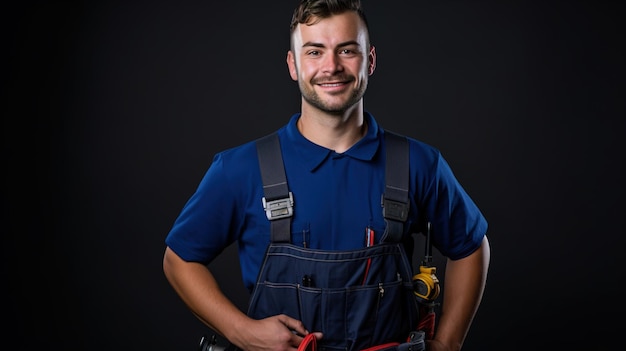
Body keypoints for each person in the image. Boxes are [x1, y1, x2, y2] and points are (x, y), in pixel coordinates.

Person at [163, 1, 490, 350]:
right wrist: (241, 331)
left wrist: (448, 344)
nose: (331, 66)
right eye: (314, 51)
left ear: (370, 60)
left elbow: (471, 247)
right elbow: (178, 260)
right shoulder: (240, 169)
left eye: (347, 50)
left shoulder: (419, 164)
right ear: (293, 65)